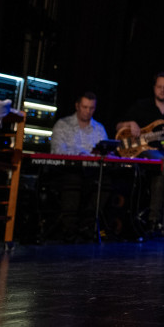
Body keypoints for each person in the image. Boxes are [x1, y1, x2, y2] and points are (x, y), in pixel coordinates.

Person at [116, 72, 164, 231]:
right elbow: (118, 127)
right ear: (154, 88)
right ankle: (154, 220)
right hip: (143, 151)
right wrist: (130, 123)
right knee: (162, 163)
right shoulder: (142, 106)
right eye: (159, 87)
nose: (162, 90)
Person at [49, 92, 110, 241]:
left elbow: (105, 153)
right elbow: (57, 150)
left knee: (106, 181)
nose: (88, 111)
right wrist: (80, 154)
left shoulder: (99, 129)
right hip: (68, 170)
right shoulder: (63, 125)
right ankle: (69, 228)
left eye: (91, 108)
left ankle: (88, 225)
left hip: (92, 172)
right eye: (84, 107)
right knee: (73, 179)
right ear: (77, 106)